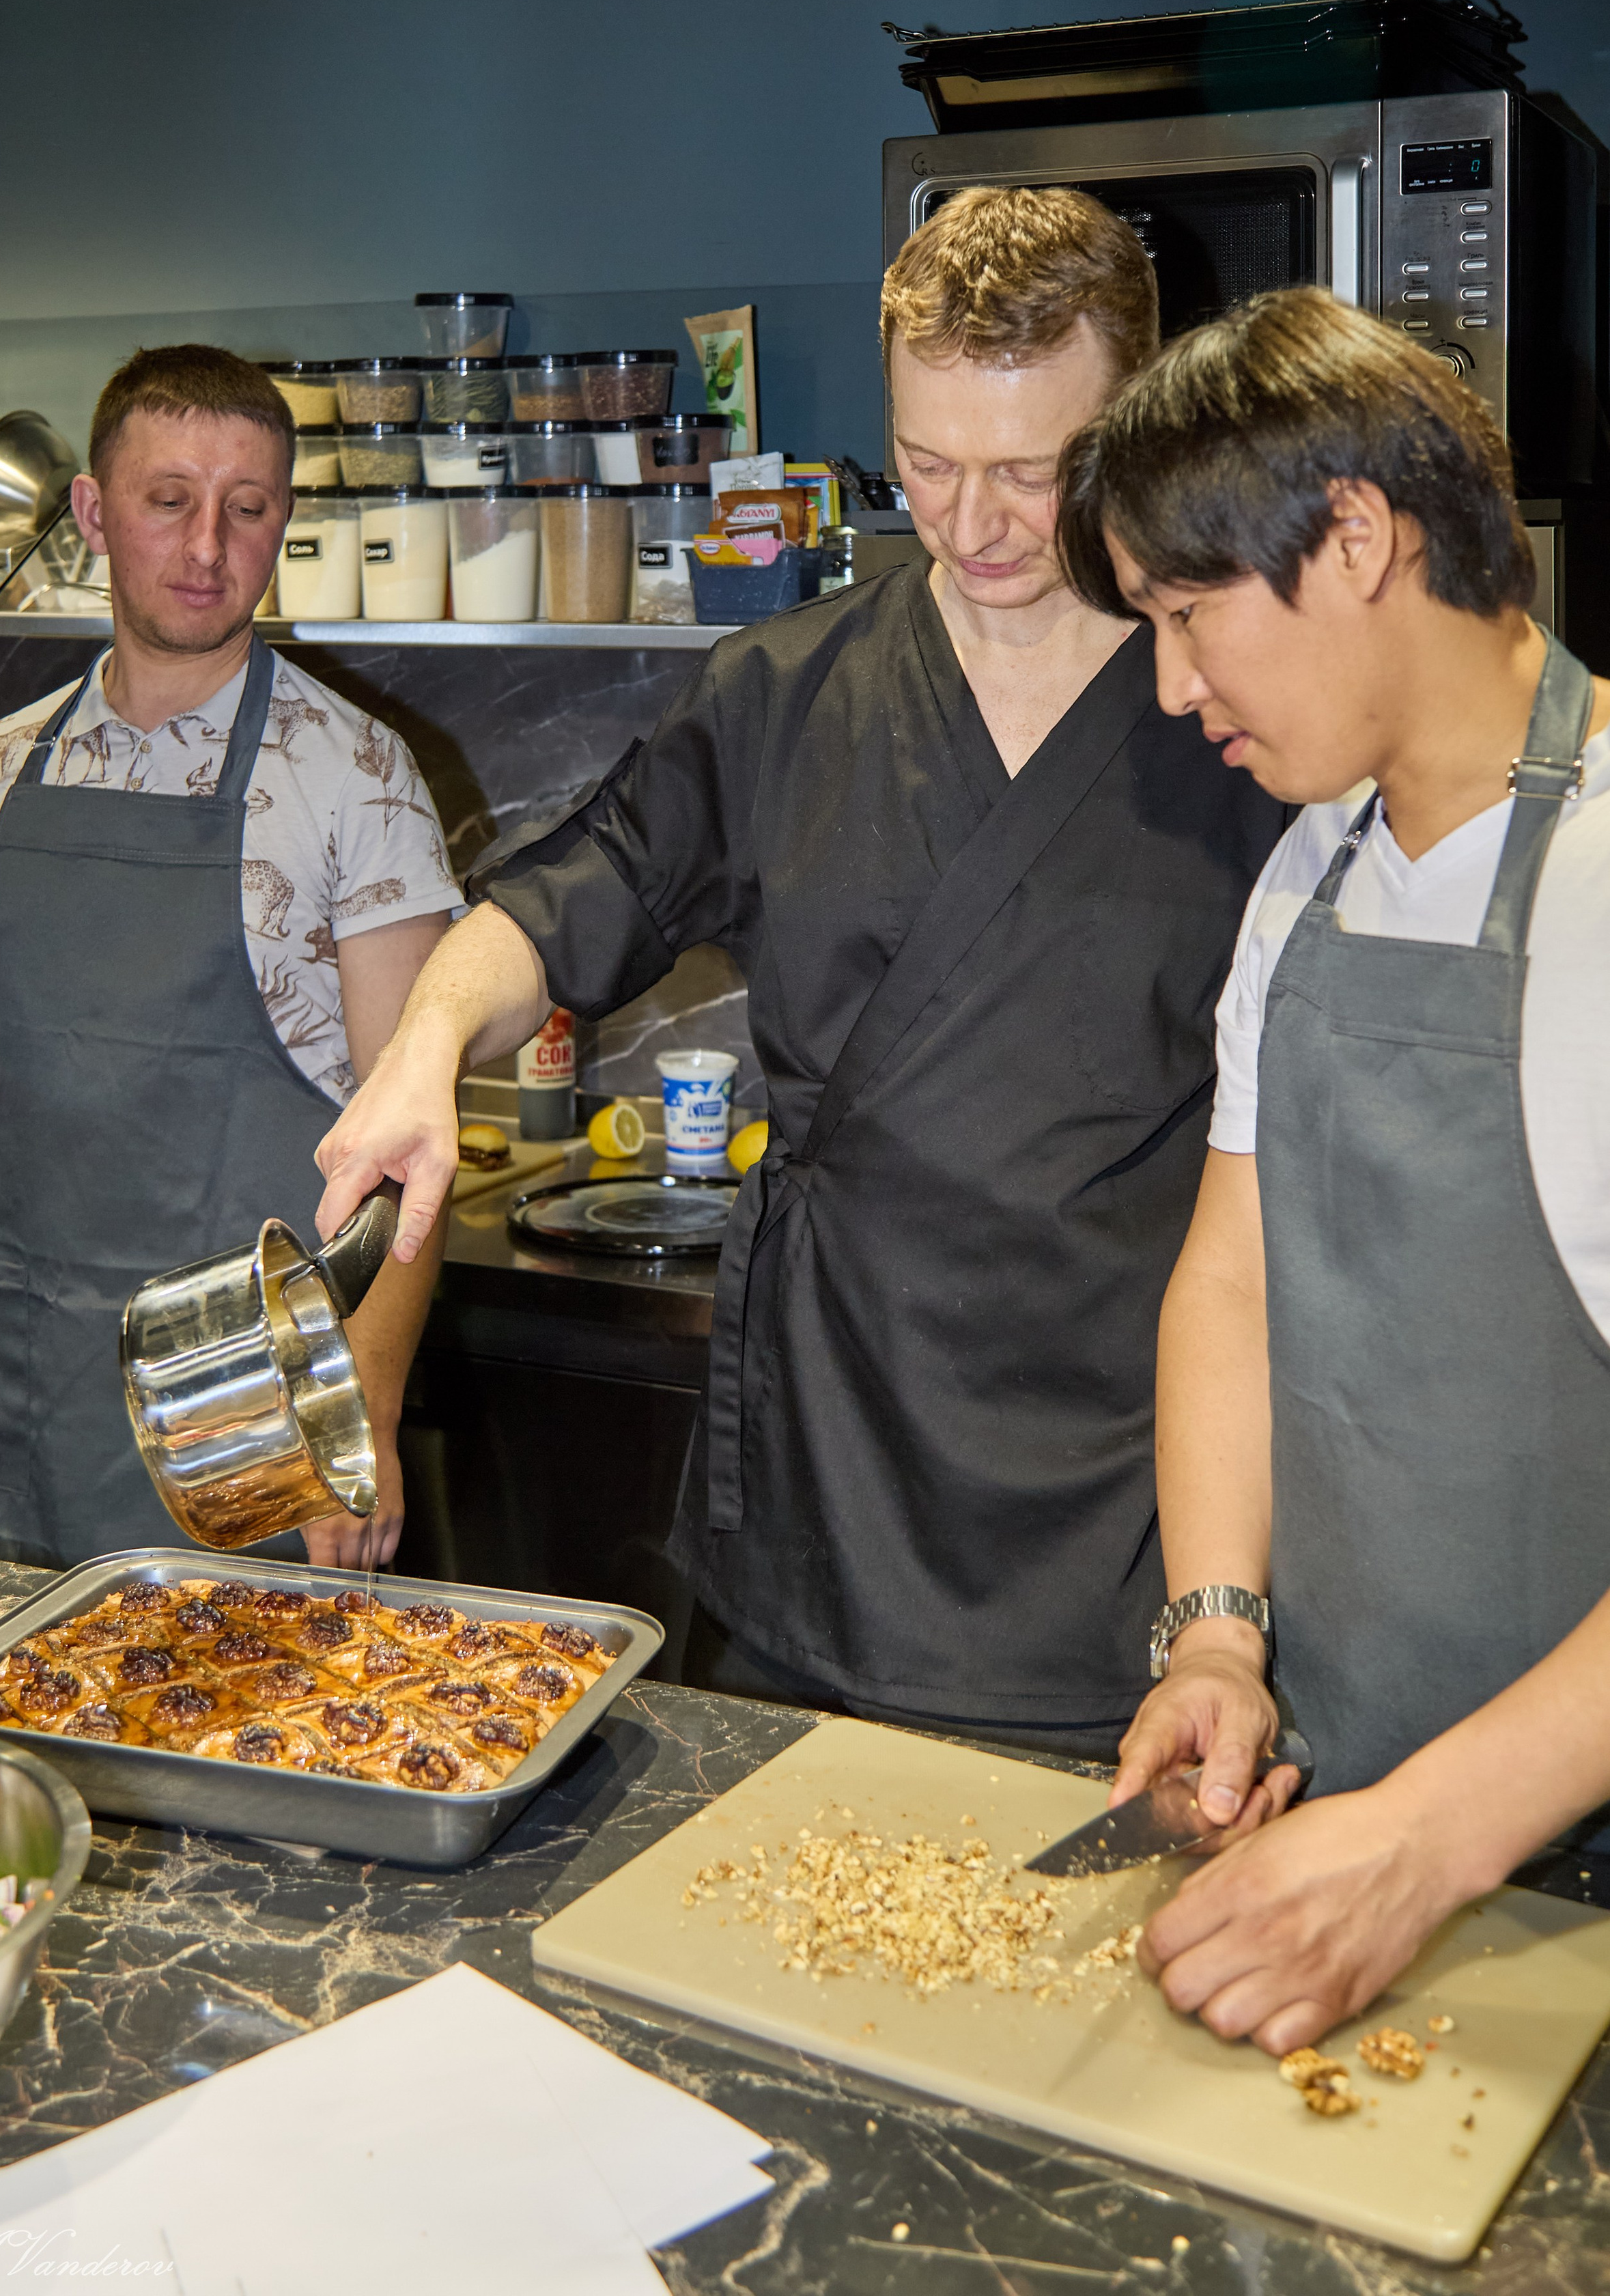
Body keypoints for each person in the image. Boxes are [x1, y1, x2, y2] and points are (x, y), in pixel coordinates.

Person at [315, 188, 1286, 1751]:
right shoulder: (784, 692)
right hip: (835, 1468)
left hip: (1122, 1508)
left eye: (1029, 472)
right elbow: (567, 899)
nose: (971, 525)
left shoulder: (1235, 717)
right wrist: (424, 1050)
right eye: (927, 465)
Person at [1057, 283, 1610, 2052]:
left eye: (1187, 612)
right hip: (1354, 1820)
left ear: (1357, 538)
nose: (1170, 685)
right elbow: (1231, 1280)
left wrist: (1428, 1843)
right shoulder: (1313, 869)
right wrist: (1218, 1636)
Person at [0, 345, 461, 1571]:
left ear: (284, 520)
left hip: (263, 1421)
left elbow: (409, 1141)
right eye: (169, 501)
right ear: (92, 513)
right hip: (22, 1392)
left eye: (248, 509)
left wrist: (363, 1416)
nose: (206, 548)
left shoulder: (357, 774)